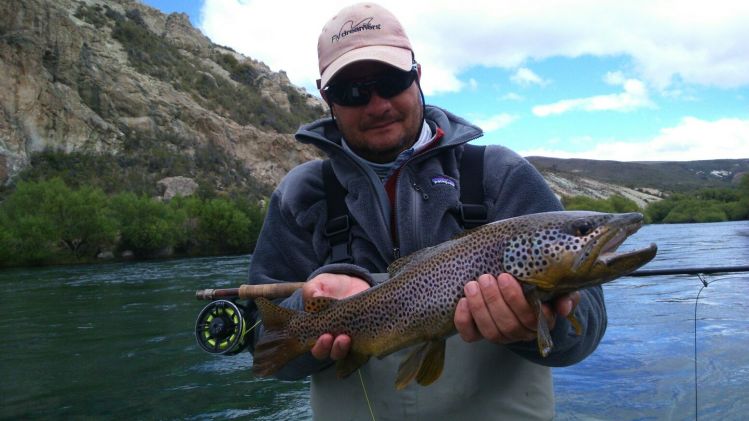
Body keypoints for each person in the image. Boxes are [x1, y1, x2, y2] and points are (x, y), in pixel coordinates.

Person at [247, 2, 607, 419]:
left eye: (391, 81)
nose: (377, 104)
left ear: (417, 76)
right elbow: (266, 346)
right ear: (327, 98)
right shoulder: (301, 194)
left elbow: (587, 328)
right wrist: (309, 315)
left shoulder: (499, 175)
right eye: (352, 92)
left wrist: (537, 328)